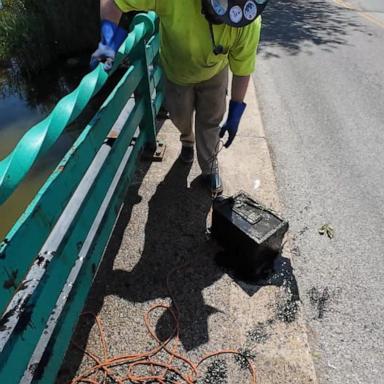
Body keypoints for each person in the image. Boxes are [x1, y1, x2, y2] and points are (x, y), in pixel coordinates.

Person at [92, 0, 267, 194]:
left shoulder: (249, 21)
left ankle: (209, 167)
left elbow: (243, 68)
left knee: (211, 121)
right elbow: (114, 2)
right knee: (179, 117)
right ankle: (187, 139)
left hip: (215, 71)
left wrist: (236, 110)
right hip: (177, 71)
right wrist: (108, 41)